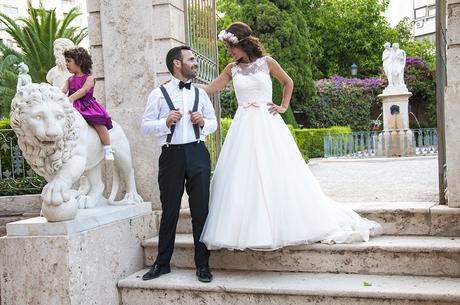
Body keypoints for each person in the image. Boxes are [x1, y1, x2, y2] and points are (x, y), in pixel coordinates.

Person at [199, 22, 382, 250]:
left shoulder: (267, 62)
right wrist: (183, 85)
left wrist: (284, 106)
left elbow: (288, 82)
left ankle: (284, 221)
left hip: (267, 122)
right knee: (243, 174)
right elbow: (209, 88)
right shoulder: (231, 69)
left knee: (277, 170)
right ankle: (250, 228)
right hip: (243, 125)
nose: (229, 52)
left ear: (243, 44)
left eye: (231, 47)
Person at [140, 46, 217, 282]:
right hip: (171, 156)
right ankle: (162, 264)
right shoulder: (158, 93)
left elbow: (213, 123)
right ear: (177, 63)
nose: (195, 63)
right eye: (191, 59)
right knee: (170, 211)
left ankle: (203, 265)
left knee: (201, 212)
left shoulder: (200, 94)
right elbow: (145, 126)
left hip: (197, 153)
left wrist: (203, 121)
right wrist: (165, 122)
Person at [62, 47, 115, 161]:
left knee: (99, 123)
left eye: (68, 61)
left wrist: (71, 98)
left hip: (87, 105)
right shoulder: (69, 80)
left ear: (79, 61)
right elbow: (62, 91)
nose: (66, 64)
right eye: (66, 61)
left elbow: (84, 90)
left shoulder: (89, 78)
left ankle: (107, 148)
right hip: (73, 105)